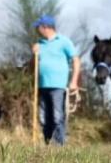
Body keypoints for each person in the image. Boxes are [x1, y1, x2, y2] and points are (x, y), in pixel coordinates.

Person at [30, 14, 80, 145]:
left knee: (57, 117)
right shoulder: (40, 44)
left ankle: (58, 146)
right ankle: (48, 143)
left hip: (58, 86)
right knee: (43, 118)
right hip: (42, 85)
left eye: (38, 27)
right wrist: (34, 54)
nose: (37, 30)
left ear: (45, 27)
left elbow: (76, 60)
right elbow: (33, 66)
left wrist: (74, 81)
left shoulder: (64, 41)